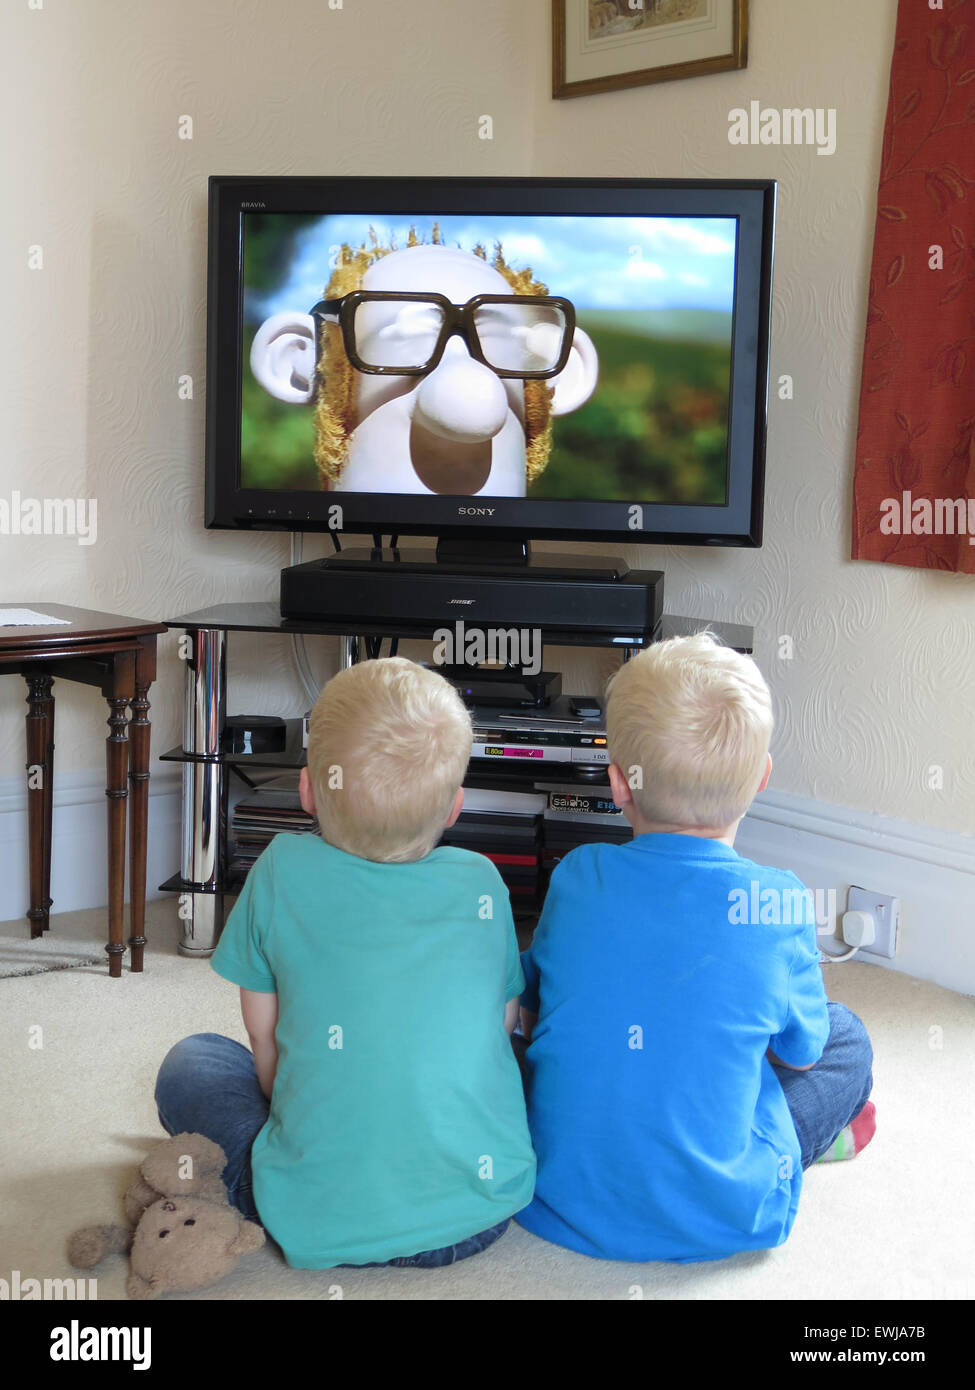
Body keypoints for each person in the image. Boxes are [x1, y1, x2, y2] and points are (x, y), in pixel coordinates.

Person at [155, 657, 535, 1269]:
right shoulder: (482, 882)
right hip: (482, 1210)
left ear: (307, 788)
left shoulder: (279, 870)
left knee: (193, 1062)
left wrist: (313, 1112)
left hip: (317, 1209)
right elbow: (500, 1027)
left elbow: (264, 1043)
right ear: (455, 807)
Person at [514, 633, 875, 1263]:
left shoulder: (577, 874)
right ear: (761, 779)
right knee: (847, 1039)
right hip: (726, 1212)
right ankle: (809, 1146)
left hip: (560, 1196)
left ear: (619, 784)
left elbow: (537, 994)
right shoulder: (780, 901)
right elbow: (803, 1050)